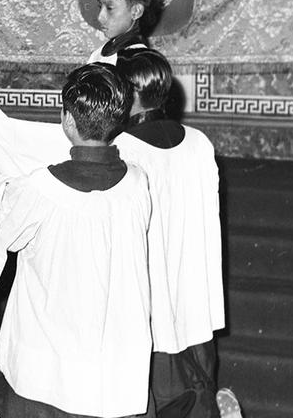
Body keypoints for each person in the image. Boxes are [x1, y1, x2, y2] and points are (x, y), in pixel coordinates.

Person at [0, 64, 154, 418]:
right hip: (115, 360)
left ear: (67, 119)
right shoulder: (138, 182)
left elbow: (1, 237)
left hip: (48, 367)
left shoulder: (39, 188)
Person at [111, 48, 226, 418]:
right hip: (194, 297)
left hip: (150, 307)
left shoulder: (123, 150)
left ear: (128, 93)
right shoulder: (199, 143)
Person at [87, 0, 155, 65]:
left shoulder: (137, 62)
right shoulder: (99, 53)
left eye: (110, 8)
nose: (100, 17)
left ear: (136, 11)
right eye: (100, 7)